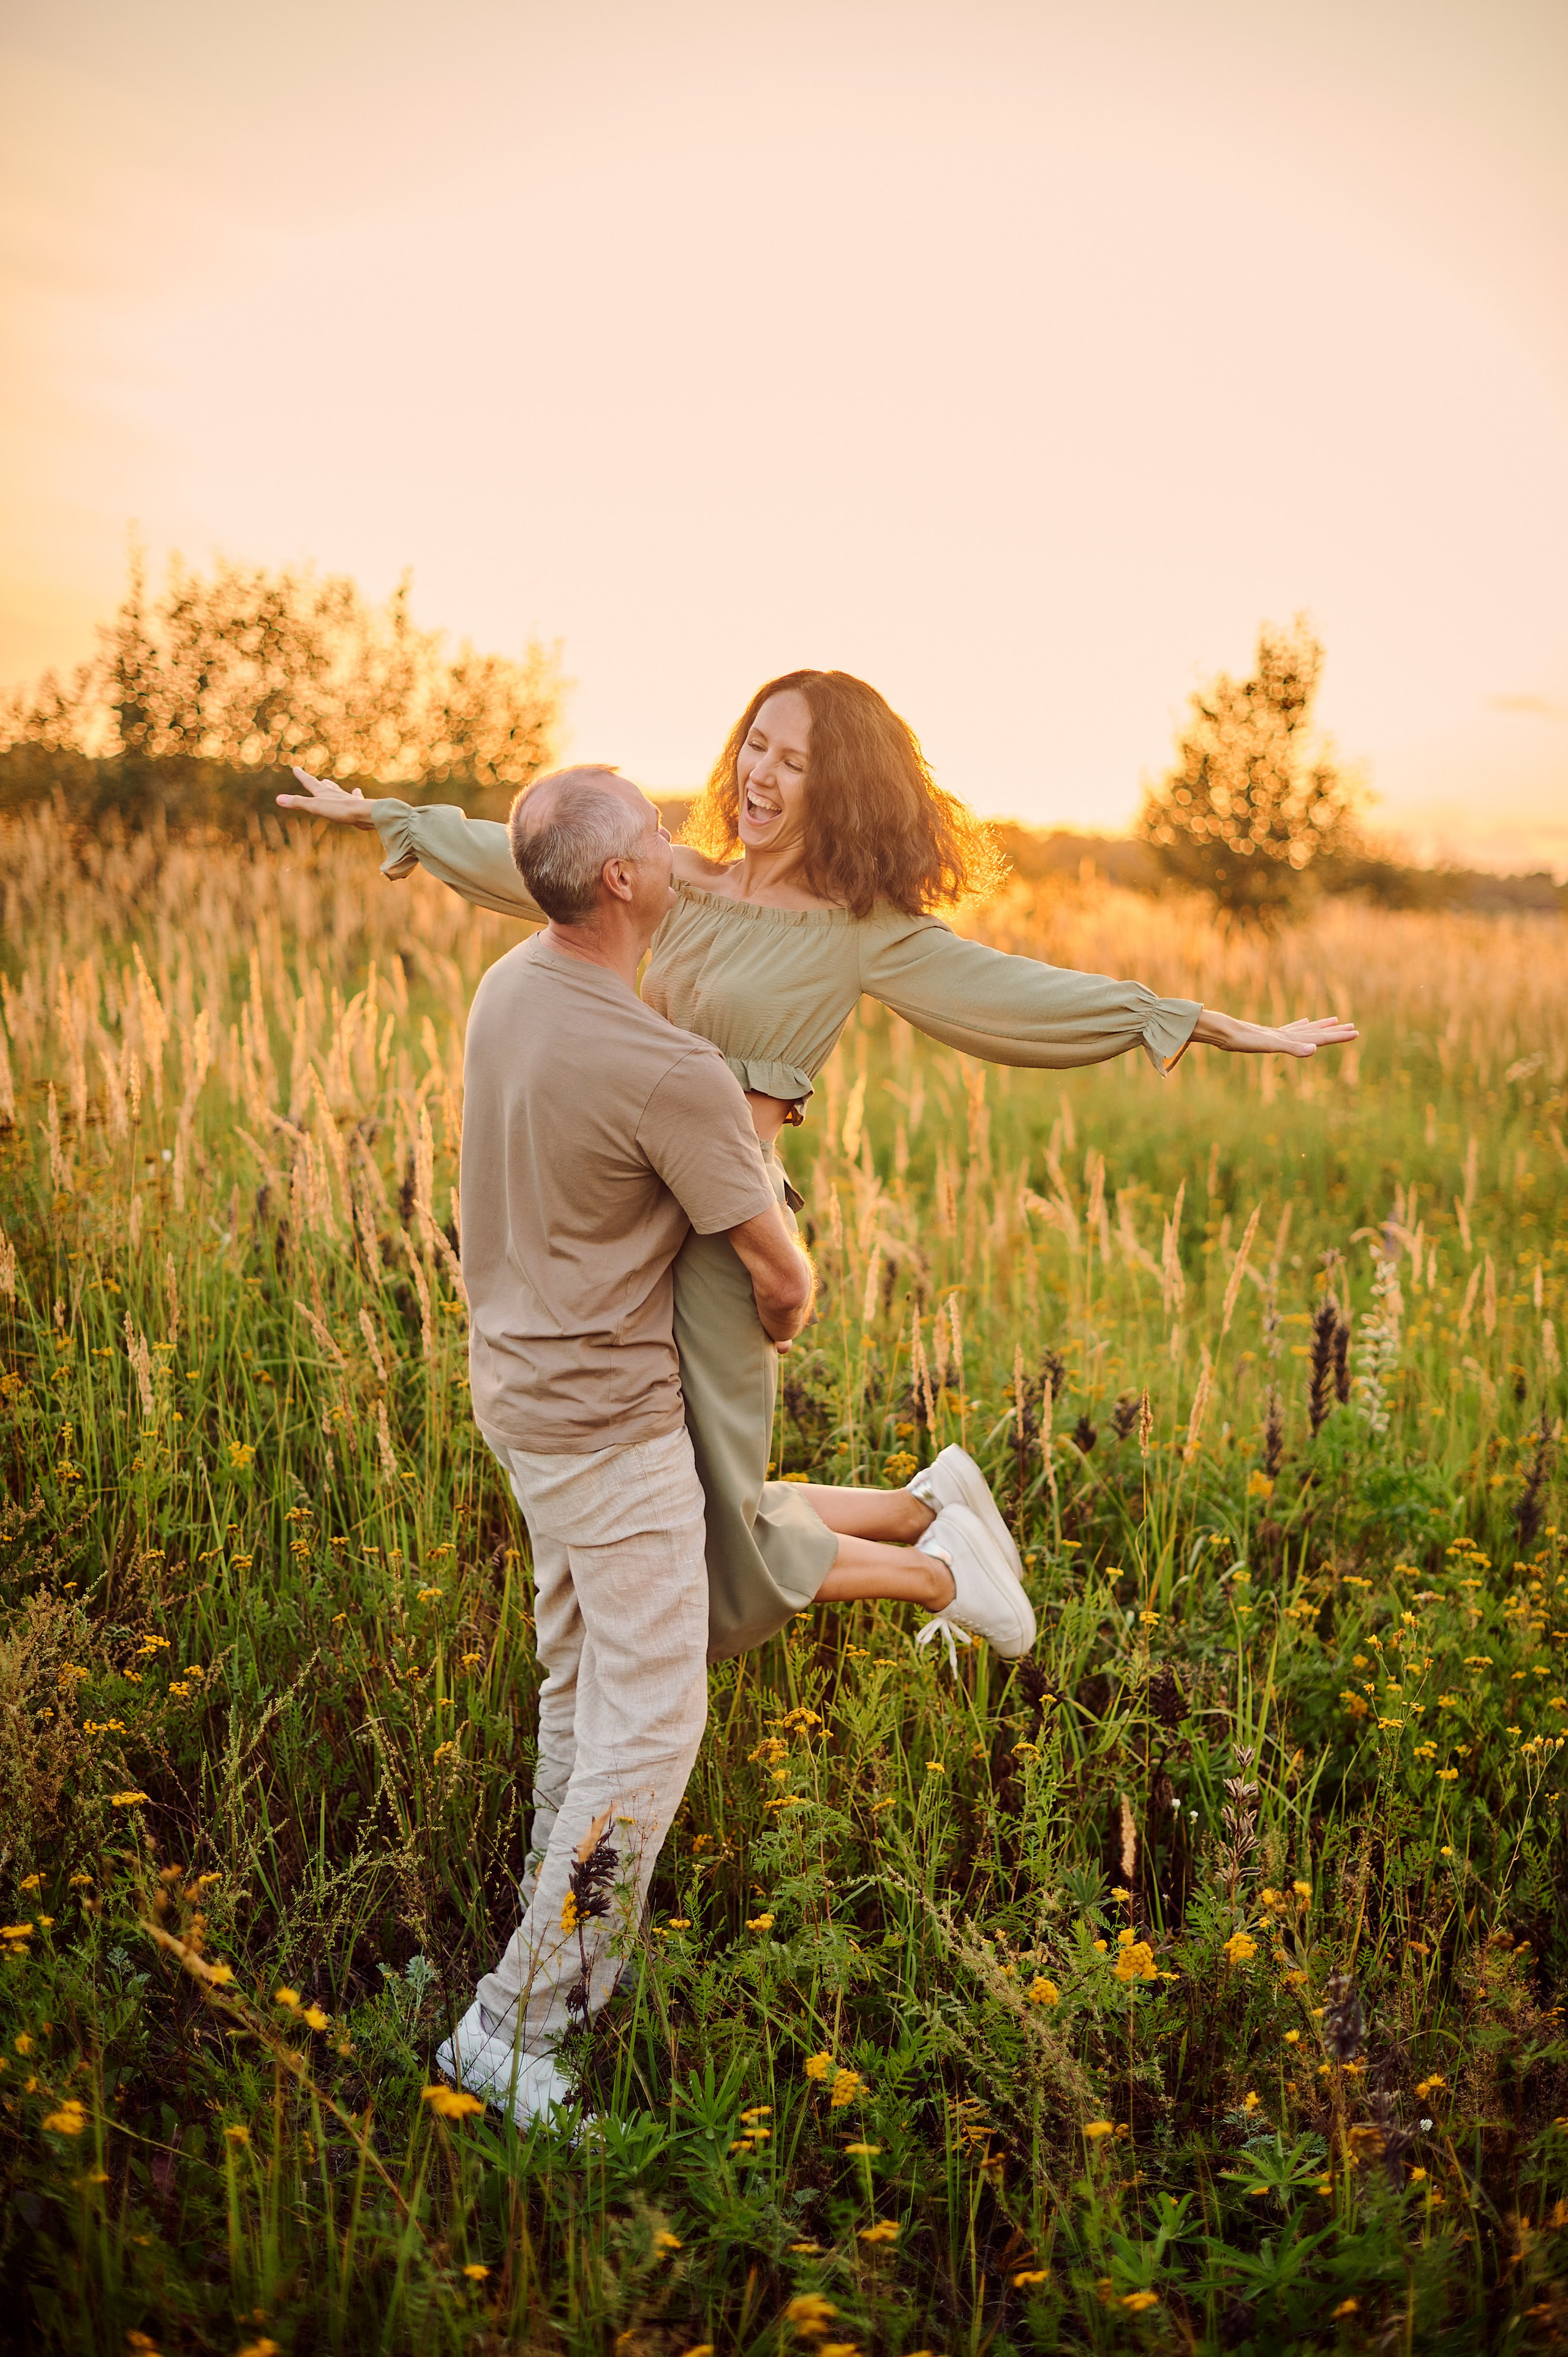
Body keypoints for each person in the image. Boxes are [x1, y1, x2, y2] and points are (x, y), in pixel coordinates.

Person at [279, 669, 1355, 1665]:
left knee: (710, 1533)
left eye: (794, 762)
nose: (761, 774)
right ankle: (922, 1508)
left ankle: (941, 1572)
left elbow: (1021, 994)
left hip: (725, 1237)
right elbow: (540, 865)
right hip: (629, 1226)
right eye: (756, 746)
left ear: (836, 790)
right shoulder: (680, 880)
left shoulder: (856, 933)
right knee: (686, 1493)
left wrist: (1203, 1025)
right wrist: (390, 816)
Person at [435, 766, 1031, 2125]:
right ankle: (513, 2029)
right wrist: (758, 1189)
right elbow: (783, 1284)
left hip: (518, 1397)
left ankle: (559, 1938)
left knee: (577, 1676)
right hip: (611, 1419)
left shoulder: (512, 987)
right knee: (651, 1718)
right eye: (650, 830)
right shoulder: (668, 1066)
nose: (675, 834)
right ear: (623, 885)